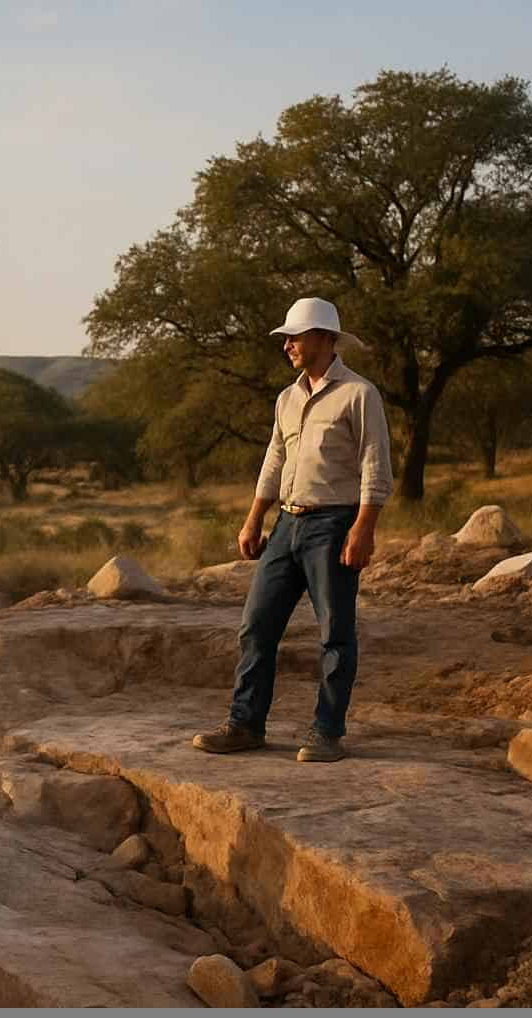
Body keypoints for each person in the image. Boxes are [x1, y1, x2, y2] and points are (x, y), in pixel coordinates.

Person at [192, 297, 392, 763]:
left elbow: (375, 464)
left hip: (334, 524)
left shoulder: (360, 395)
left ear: (325, 339)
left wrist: (364, 527)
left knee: (335, 633)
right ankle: (245, 725)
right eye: (286, 339)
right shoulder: (287, 397)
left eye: (295, 337)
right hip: (286, 522)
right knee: (256, 626)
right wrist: (253, 518)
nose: (287, 346)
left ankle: (327, 732)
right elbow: (274, 459)